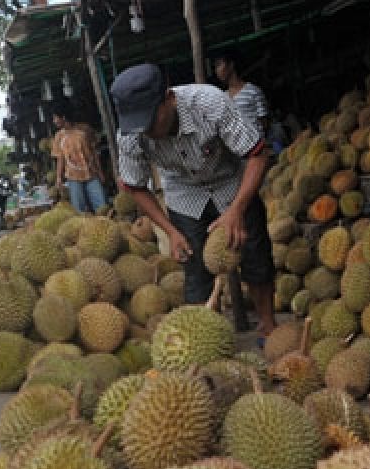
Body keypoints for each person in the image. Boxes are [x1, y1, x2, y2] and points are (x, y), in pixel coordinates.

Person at [111, 63, 276, 337]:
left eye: (152, 119)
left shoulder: (209, 103)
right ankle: (205, 341)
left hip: (230, 181)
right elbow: (135, 187)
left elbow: (259, 153)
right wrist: (171, 231)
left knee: (255, 255)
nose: (147, 130)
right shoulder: (130, 135)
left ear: (169, 99)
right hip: (184, 194)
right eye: (139, 125)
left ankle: (268, 324)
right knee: (195, 270)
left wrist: (237, 209)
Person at [50, 104, 108, 212]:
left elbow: (94, 153)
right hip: (73, 177)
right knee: (79, 210)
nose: (54, 121)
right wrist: (58, 177)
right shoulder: (59, 136)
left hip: (91, 174)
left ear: (63, 117)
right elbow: (60, 158)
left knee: (102, 205)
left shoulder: (85, 130)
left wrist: (100, 172)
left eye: (55, 117)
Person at [212, 48, 269, 135]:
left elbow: (264, 124)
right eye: (215, 67)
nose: (217, 71)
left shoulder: (253, 91)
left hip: (258, 146)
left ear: (231, 65)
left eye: (219, 65)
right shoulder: (222, 98)